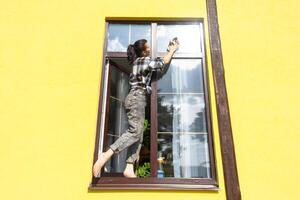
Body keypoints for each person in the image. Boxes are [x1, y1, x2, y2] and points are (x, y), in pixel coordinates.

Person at [93, 38, 179, 177]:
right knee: (135, 132)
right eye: (148, 48)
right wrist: (172, 51)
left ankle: (129, 167)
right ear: (143, 51)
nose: (150, 49)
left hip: (138, 98)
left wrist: (168, 51)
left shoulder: (141, 62)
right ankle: (106, 154)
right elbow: (162, 63)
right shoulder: (142, 61)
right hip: (136, 98)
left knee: (138, 135)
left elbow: (159, 66)